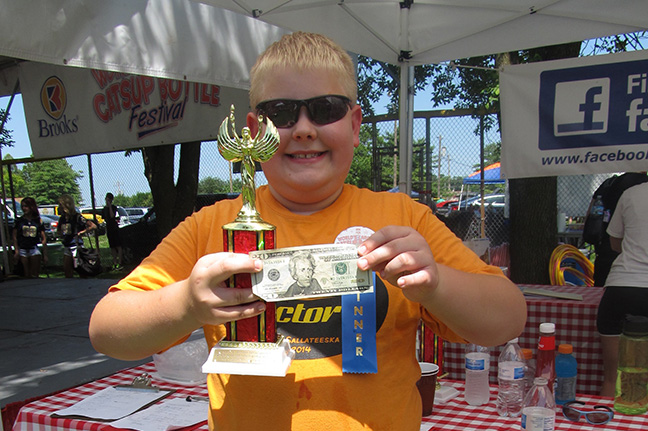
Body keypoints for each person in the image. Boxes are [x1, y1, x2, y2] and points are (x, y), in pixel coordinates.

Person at [89, 32, 527, 430]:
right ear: (252, 132)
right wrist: (185, 303)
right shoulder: (213, 225)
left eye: (325, 109)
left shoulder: (402, 217)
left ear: (355, 125)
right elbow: (107, 329)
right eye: (280, 113)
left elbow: (506, 320)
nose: (302, 128)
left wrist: (435, 284)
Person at [596, 181, 648, 397]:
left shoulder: (632, 194)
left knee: (612, 376)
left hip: (623, 286)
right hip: (625, 285)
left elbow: (615, 243)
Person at [586, 172, 648, 287]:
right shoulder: (640, 187)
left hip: (608, 258)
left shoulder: (609, 184)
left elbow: (590, 214)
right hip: (631, 259)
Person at [57, 194, 96, 278]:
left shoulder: (77, 217)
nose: (59, 207)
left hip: (76, 246)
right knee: (67, 268)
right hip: (67, 246)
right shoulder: (62, 218)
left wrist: (82, 232)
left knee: (79, 267)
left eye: (61, 205)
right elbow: (59, 230)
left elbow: (93, 226)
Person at [12, 197, 48, 278]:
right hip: (22, 249)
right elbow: (14, 237)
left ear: (31, 207)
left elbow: (44, 238)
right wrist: (17, 251)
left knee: (34, 274)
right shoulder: (19, 221)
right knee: (26, 274)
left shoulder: (38, 221)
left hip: (34, 249)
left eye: (26, 206)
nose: (24, 208)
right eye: (23, 206)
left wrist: (45, 254)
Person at [102, 192, 123, 270]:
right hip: (109, 228)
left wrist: (110, 206)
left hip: (114, 228)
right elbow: (104, 218)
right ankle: (114, 262)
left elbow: (112, 216)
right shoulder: (104, 209)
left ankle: (120, 262)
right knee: (112, 246)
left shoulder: (114, 208)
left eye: (108, 199)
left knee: (118, 246)